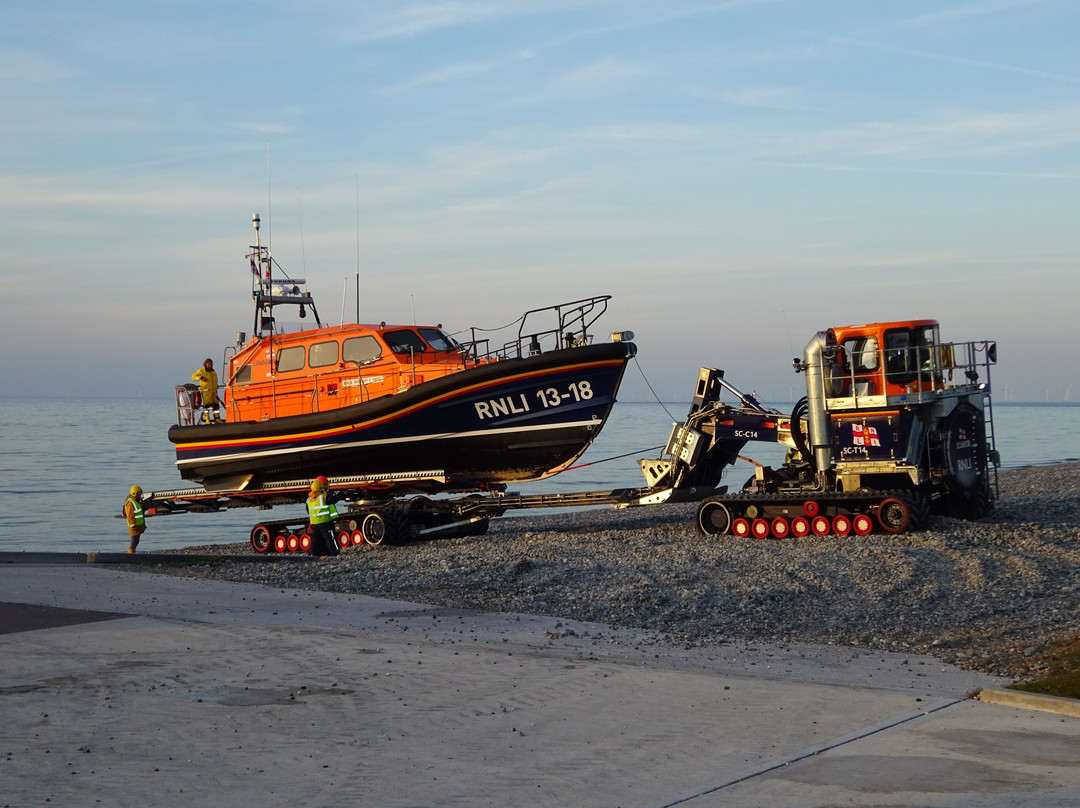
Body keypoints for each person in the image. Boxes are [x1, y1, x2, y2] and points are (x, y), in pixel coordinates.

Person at [306, 478, 340, 557]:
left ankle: (312, 554)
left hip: (314, 524)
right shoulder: (323, 497)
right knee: (330, 539)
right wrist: (340, 493)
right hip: (325, 522)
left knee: (315, 540)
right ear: (321, 488)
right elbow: (333, 499)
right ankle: (335, 553)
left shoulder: (308, 499)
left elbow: (308, 511)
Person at [192, 358, 222, 423]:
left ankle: (217, 419)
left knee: (216, 405)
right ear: (205, 364)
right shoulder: (201, 371)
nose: (210, 366)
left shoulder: (213, 372)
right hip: (206, 391)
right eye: (209, 364)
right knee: (207, 406)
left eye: (211, 364)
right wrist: (200, 377)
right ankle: (207, 419)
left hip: (214, 392)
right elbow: (193, 377)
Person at [125, 485, 146, 553]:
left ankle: (132, 552)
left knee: (136, 541)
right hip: (134, 526)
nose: (141, 495)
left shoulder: (137, 501)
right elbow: (130, 515)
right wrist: (132, 524)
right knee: (134, 541)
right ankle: (131, 553)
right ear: (134, 493)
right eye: (139, 493)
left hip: (138, 525)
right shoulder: (130, 503)